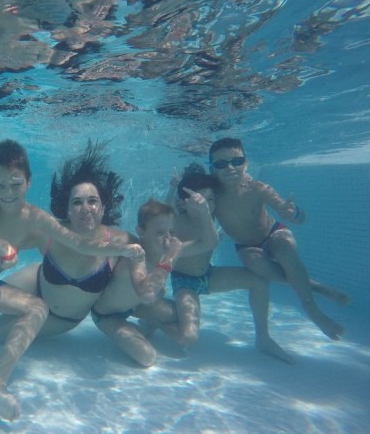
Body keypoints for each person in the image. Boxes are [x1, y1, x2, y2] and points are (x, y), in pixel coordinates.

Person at [0, 139, 144, 421]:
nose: (7, 192)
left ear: (29, 182)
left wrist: (121, 250)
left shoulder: (36, 218)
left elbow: (78, 243)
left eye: (15, 184)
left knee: (37, 308)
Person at [0, 141, 133, 341]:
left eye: (92, 201)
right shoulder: (51, 231)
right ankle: (28, 307)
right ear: (67, 209)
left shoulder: (120, 241)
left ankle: (31, 311)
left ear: (103, 207)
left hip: (61, 317)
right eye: (77, 202)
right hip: (36, 281)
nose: (85, 208)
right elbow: (9, 236)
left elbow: (150, 255)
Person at [208, 137, 347, 340]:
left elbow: (300, 218)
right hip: (246, 246)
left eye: (237, 161)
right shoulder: (213, 197)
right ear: (212, 169)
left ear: (246, 164)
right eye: (221, 164)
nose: (230, 168)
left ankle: (311, 307)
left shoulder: (258, 188)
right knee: (256, 264)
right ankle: (317, 287)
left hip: (273, 232)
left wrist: (293, 212)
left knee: (284, 245)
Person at [161, 163, 293, 363]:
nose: (207, 205)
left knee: (258, 281)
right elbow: (167, 211)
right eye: (200, 201)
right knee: (188, 338)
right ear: (185, 203)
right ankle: (159, 318)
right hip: (184, 282)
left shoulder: (212, 213)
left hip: (208, 276)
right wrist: (173, 189)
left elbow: (233, 196)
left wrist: (244, 179)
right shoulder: (177, 219)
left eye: (210, 199)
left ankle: (263, 338)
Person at [91, 197, 215, 367]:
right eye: (160, 233)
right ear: (141, 232)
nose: (168, 239)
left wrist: (205, 212)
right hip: (107, 315)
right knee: (147, 357)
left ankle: (152, 322)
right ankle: (143, 326)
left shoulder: (167, 249)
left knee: (183, 317)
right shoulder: (135, 254)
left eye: (172, 232)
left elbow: (209, 243)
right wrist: (171, 257)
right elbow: (147, 294)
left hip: (137, 306)